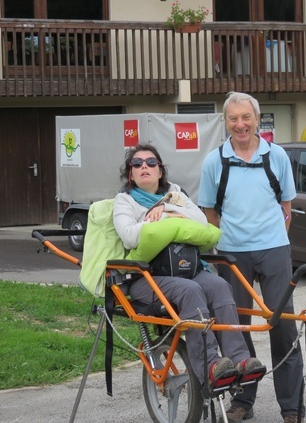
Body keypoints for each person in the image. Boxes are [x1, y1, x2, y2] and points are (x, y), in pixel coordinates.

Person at [112, 143, 264, 395]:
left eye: (151, 163)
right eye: (137, 164)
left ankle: (239, 360)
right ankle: (211, 366)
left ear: (160, 171)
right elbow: (129, 237)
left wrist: (167, 208)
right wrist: (168, 218)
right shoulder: (125, 201)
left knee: (219, 286)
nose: (144, 167)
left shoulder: (175, 193)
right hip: (148, 278)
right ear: (131, 174)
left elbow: (202, 221)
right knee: (190, 290)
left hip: (187, 269)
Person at [198, 92, 304, 423]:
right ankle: (243, 399)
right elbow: (209, 212)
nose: (240, 125)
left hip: (274, 248)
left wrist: (273, 239)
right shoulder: (215, 161)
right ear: (226, 122)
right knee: (236, 326)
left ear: (257, 119)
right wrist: (232, 239)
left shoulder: (278, 157)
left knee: (281, 324)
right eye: (233, 119)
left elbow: (287, 207)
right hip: (231, 254)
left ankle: (291, 406)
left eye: (246, 117)